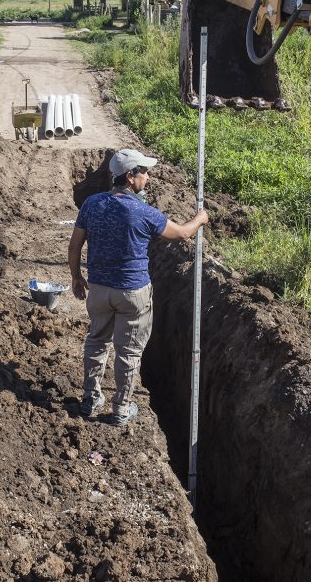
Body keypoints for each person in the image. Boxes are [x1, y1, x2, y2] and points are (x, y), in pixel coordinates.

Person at [68, 148, 209, 426]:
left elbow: (74, 246)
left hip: (99, 289)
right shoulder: (143, 212)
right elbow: (181, 234)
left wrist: (76, 277)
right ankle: (120, 409)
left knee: (97, 341)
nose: (147, 177)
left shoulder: (92, 204)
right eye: (143, 172)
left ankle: (90, 398)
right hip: (133, 292)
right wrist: (200, 219)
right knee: (129, 351)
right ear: (130, 177)